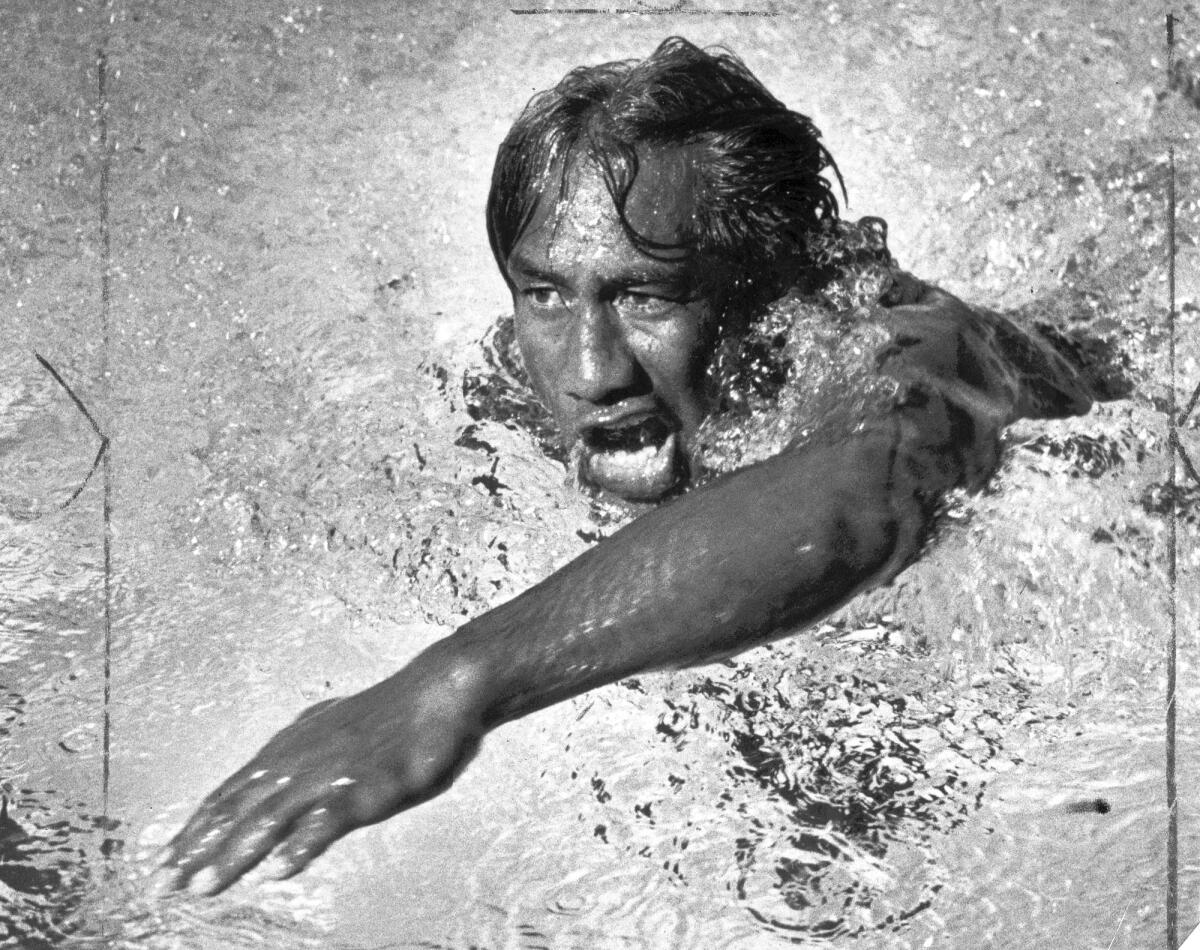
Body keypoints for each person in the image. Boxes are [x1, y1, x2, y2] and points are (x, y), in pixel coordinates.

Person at [156, 37, 1097, 896]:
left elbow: (859, 498)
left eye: (646, 296)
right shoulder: (511, 387)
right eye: (545, 294)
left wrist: (450, 684)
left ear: (778, 288)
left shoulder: (905, 352)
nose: (591, 372)